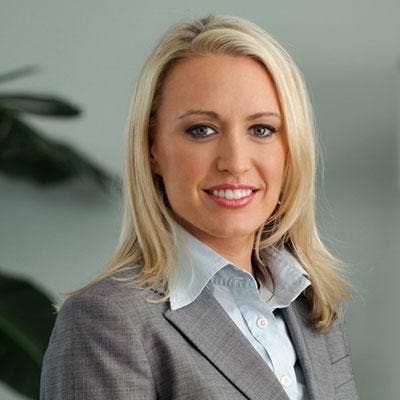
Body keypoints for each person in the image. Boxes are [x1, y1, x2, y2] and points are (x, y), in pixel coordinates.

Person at [40, 13, 360, 400]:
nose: (235, 162)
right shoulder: (106, 321)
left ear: (291, 148)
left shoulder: (312, 305)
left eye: (261, 129)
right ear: (152, 149)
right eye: (201, 130)